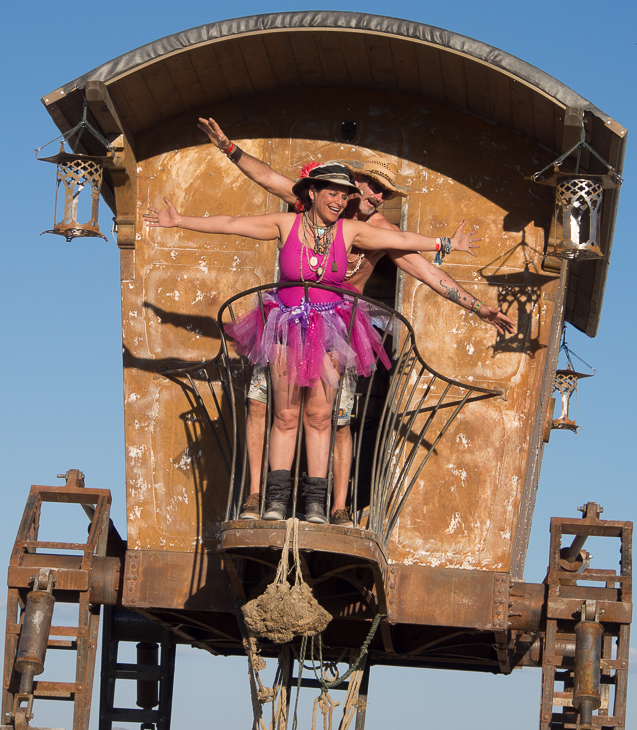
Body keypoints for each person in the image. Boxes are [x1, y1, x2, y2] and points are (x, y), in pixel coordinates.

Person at [144, 163, 512, 526]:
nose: (376, 196)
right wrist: (223, 155)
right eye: (370, 186)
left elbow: (422, 264)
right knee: (270, 410)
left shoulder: (361, 230)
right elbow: (249, 201)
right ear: (336, 188)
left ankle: (328, 505)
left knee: (329, 418)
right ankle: (262, 496)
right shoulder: (299, 214)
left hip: (337, 328)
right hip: (285, 323)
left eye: (383, 193)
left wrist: (475, 301)